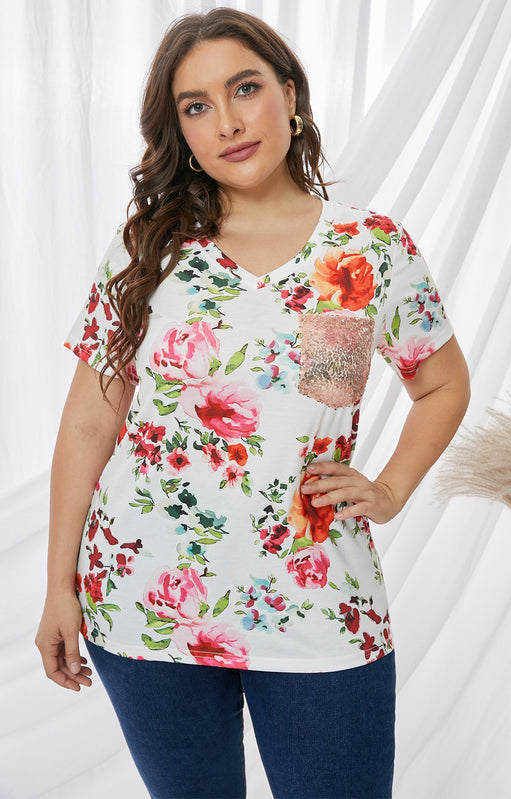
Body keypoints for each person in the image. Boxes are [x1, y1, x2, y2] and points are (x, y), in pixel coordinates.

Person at [35, 8, 470, 799]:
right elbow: (90, 419)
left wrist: (389, 487)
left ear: (289, 95)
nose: (228, 122)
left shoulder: (365, 248)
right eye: (196, 106)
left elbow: (440, 382)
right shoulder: (149, 250)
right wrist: (57, 586)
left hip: (317, 597)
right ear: (179, 131)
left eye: (244, 89)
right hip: (144, 600)